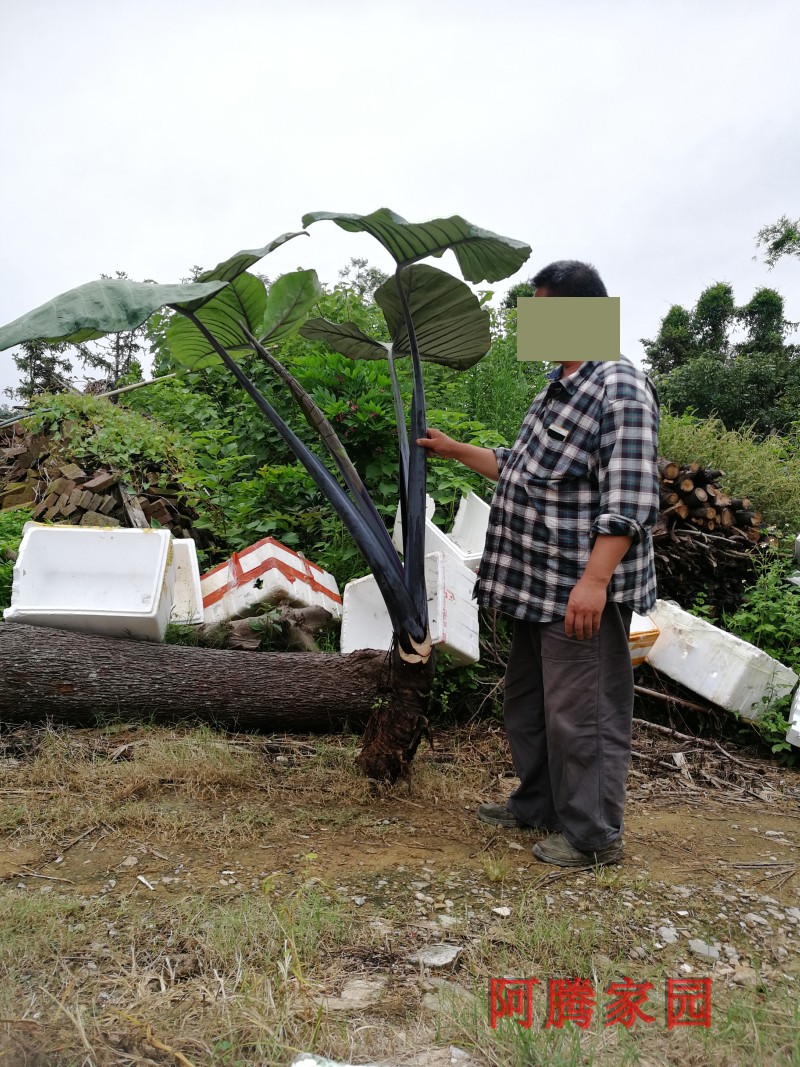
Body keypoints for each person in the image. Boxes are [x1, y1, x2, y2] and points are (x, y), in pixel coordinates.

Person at [418, 260, 660, 868]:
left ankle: (594, 835)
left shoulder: (618, 386)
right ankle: (537, 804)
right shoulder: (556, 387)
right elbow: (516, 468)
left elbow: (630, 497)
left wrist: (595, 583)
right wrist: (450, 449)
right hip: (533, 581)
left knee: (584, 714)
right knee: (530, 703)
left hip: (576, 586)